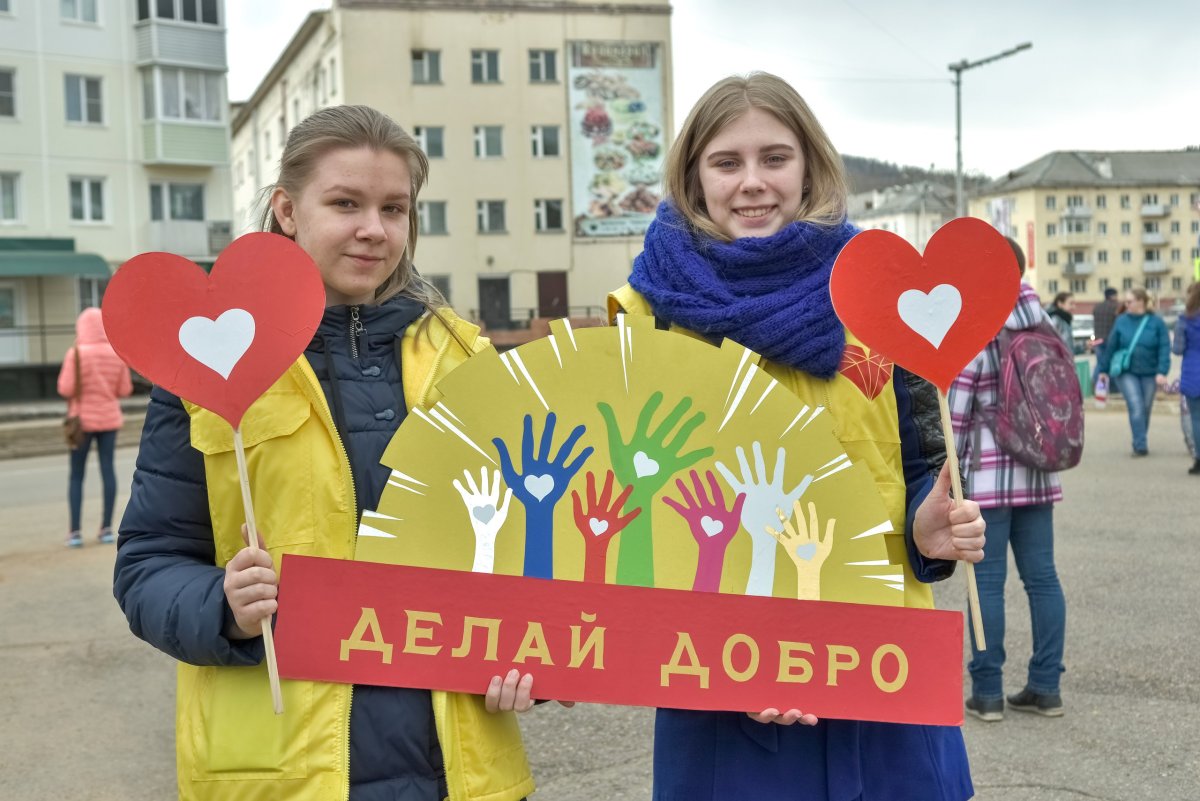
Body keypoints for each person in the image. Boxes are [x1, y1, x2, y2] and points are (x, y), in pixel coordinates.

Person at [114, 106, 537, 801]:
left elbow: (526, 550)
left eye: (393, 208)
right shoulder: (207, 373)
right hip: (283, 772)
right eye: (346, 203)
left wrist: (541, 661)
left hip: (462, 773)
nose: (374, 229)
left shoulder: (467, 359)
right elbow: (147, 563)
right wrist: (218, 602)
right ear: (286, 208)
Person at [608, 72, 985, 801]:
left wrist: (927, 526)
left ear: (809, 164)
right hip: (721, 685)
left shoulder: (884, 300)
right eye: (727, 162)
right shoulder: (646, 318)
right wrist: (736, 657)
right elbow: (636, 517)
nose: (753, 183)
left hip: (877, 665)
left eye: (774, 158)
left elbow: (918, 464)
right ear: (694, 176)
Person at [947, 241, 1068, 723]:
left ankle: (989, 692)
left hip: (988, 481)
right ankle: (1046, 687)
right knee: (1043, 579)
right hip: (1039, 471)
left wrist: (947, 475)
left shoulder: (975, 324)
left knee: (987, 582)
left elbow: (957, 411)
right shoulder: (1045, 323)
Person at [57, 307, 133, 548]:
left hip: (81, 422)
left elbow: (65, 389)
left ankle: (75, 532)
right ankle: (106, 529)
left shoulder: (76, 354)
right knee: (107, 470)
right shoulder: (116, 353)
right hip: (109, 420)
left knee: (77, 475)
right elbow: (124, 390)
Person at [1096, 287, 1171, 456]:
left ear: (1141, 302)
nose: (1126, 304)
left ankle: (1140, 437)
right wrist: (1103, 369)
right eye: (1126, 301)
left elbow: (1164, 347)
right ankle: (1140, 444)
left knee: (1145, 407)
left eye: (1130, 301)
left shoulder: (1156, 322)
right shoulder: (1121, 321)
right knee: (1136, 405)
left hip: (1150, 372)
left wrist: (1162, 371)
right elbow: (1112, 346)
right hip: (1126, 371)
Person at [1172, 282, 1200, 474]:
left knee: (1196, 419)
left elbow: (1178, 349)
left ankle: (1199, 459)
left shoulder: (1184, 320)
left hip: (1193, 372)